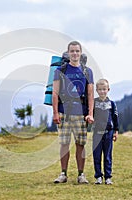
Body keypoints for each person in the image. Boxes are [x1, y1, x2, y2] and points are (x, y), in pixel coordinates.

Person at [52, 41, 94, 184]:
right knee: (64, 144)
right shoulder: (60, 71)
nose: (75, 53)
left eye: (77, 51)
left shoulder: (87, 71)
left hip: (81, 113)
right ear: (68, 53)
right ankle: (63, 174)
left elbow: (90, 94)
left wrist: (90, 113)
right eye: (72, 51)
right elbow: (55, 93)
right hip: (64, 112)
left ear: (81, 53)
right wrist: (55, 112)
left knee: (80, 144)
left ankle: (81, 175)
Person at [92, 78, 119, 185]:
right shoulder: (93, 103)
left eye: (104, 89)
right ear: (97, 90)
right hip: (97, 134)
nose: (102, 91)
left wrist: (116, 131)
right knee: (97, 155)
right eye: (100, 89)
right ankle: (98, 176)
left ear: (108, 89)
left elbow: (115, 117)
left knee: (107, 156)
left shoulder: (112, 104)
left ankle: (108, 177)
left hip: (109, 133)